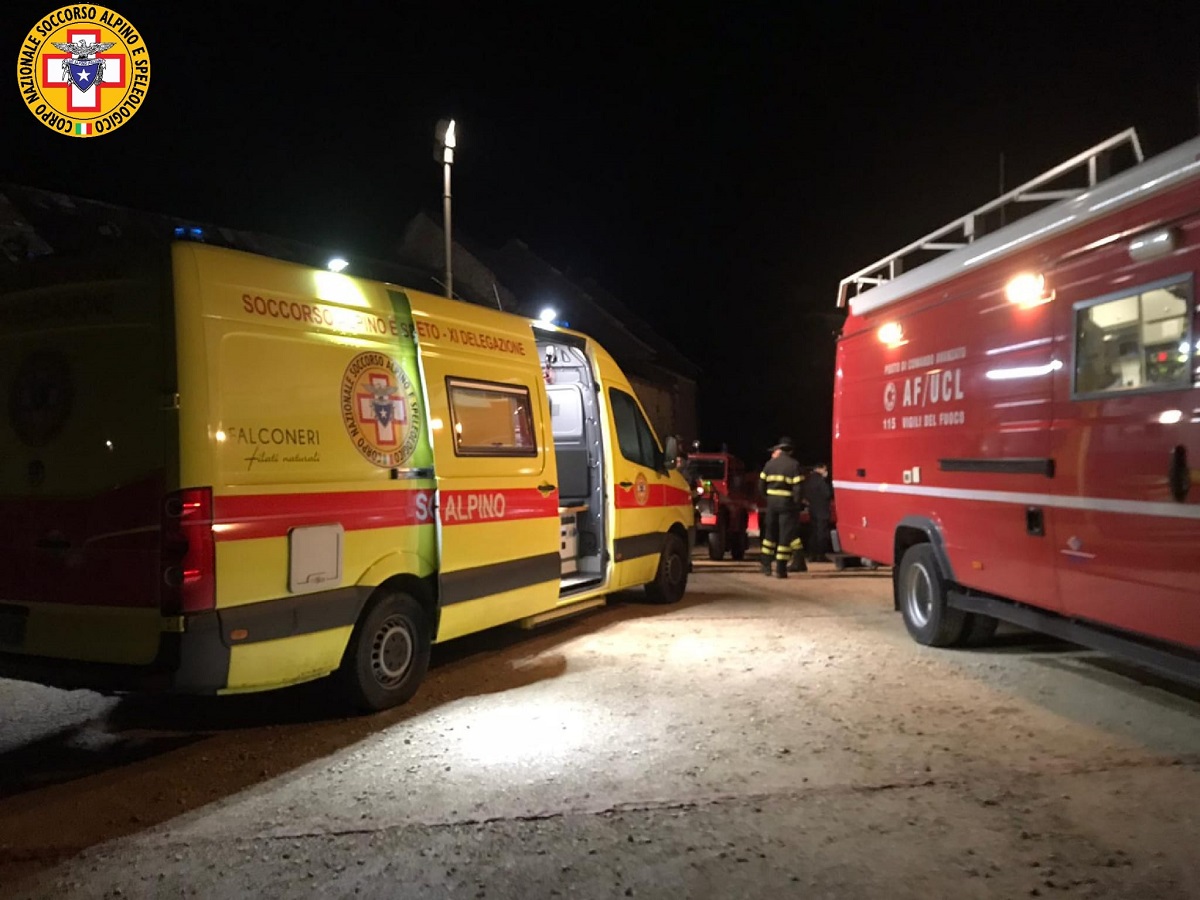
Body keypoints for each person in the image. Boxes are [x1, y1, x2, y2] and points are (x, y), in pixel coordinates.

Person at [758, 437, 806, 577]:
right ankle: (780, 569)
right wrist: (797, 504)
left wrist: (768, 498)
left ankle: (766, 566)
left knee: (769, 535)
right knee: (784, 537)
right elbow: (798, 489)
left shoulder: (769, 464)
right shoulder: (794, 465)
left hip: (772, 504)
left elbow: (761, 485)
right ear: (790, 451)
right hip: (787, 505)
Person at [802, 462, 833, 564]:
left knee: (813, 533)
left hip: (813, 509)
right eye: (825, 469)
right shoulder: (821, 480)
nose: (826, 472)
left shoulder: (809, 480)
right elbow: (827, 493)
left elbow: (805, 495)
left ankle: (812, 555)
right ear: (819, 469)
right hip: (822, 510)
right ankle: (820, 555)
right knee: (822, 533)